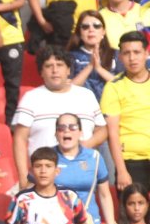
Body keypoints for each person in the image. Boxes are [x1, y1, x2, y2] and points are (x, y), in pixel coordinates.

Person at [13, 46, 108, 186]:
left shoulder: (86, 95)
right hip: (43, 179)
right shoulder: (31, 98)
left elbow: (102, 130)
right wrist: (23, 177)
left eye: (60, 65)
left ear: (69, 70)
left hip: (81, 177)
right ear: (41, 72)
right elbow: (20, 139)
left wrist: (85, 146)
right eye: (49, 66)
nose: (55, 70)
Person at [51, 112, 117, 224]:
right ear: (56, 134)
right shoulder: (47, 158)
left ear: (81, 132)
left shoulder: (94, 157)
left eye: (72, 127)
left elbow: (104, 195)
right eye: (61, 128)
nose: (66, 131)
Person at [101, 31, 150, 192]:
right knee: (134, 216)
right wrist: (121, 171)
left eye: (137, 52)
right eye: (127, 53)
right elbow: (112, 132)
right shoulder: (114, 87)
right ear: (120, 57)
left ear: (146, 53)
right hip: (131, 160)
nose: (132, 58)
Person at [67, 10, 118, 103]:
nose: (91, 30)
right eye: (85, 27)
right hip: (81, 108)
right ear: (79, 32)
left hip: (111, 107)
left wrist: (99, 69)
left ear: (103, 31)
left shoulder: (116, 54)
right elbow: (69, 89)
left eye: (97, 26)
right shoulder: (70, 56)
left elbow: (123, 86)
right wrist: (90, 66)